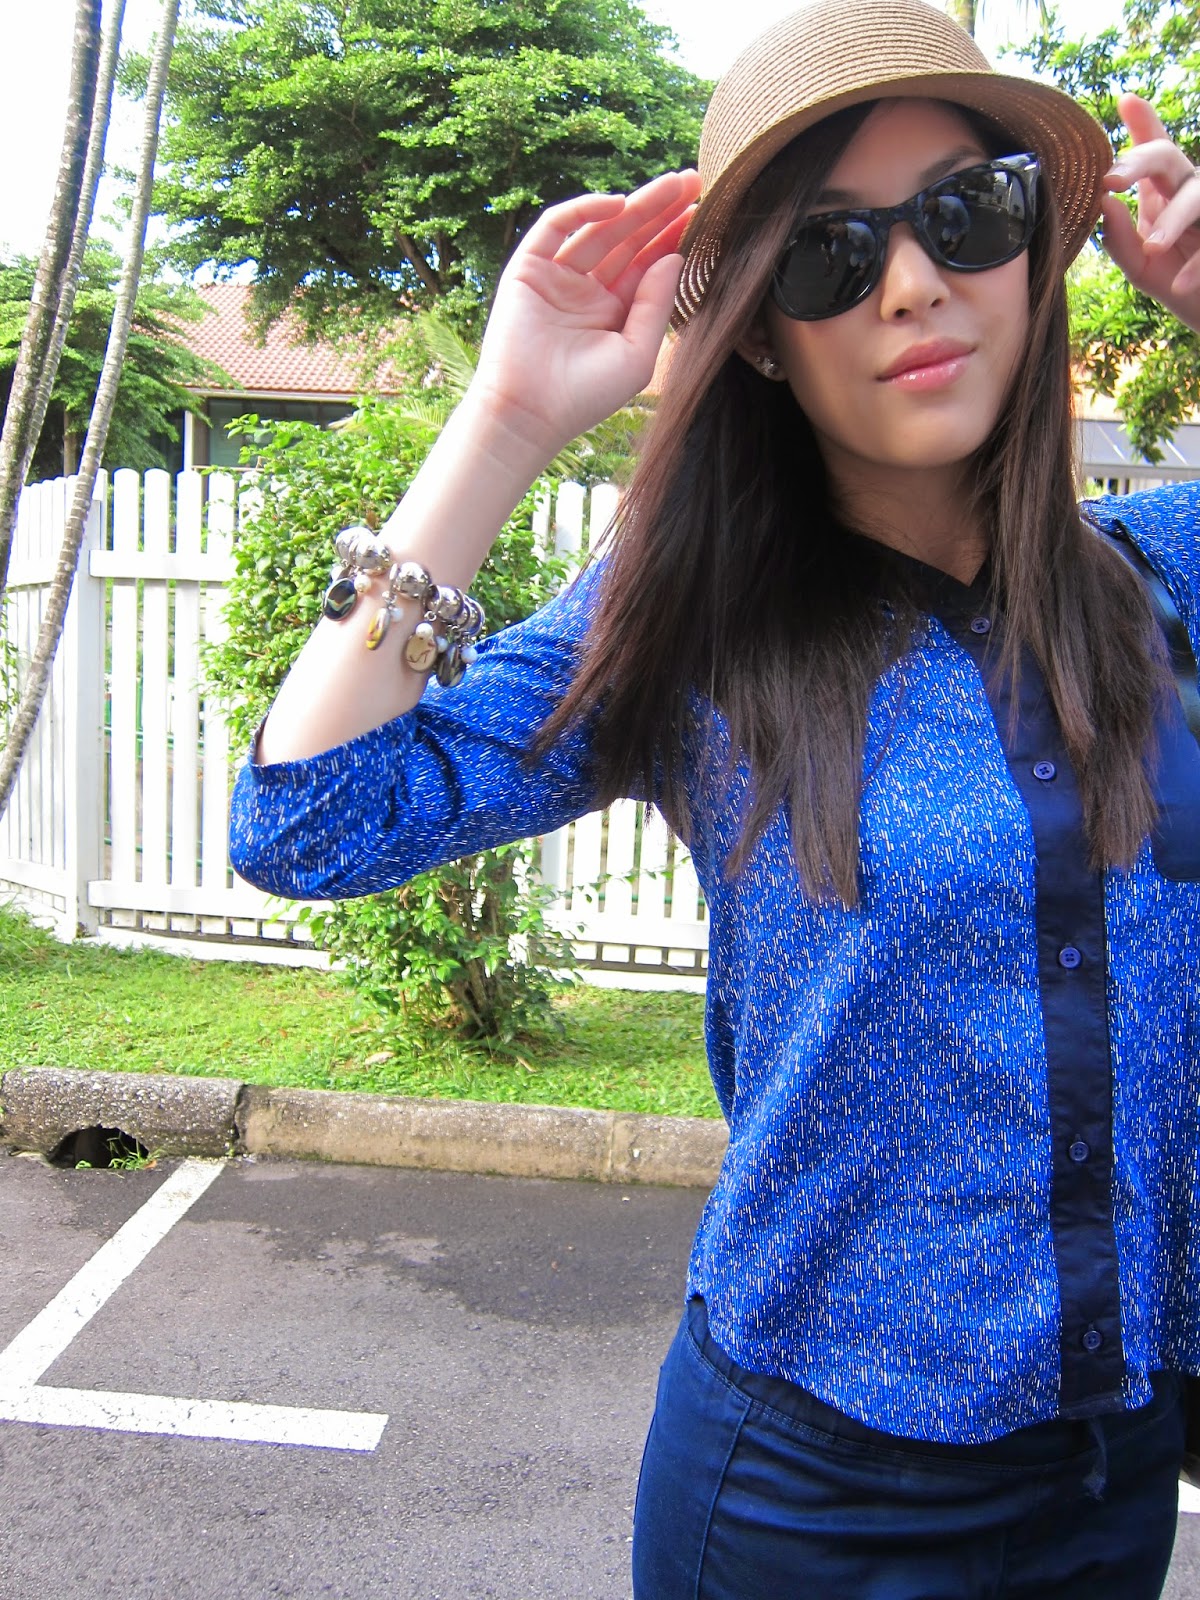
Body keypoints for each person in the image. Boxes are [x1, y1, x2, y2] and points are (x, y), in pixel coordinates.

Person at [229, 0, 1200, 1593]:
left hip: (1110, 1478)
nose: (912, 283)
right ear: (757, 331)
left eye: (967, 212)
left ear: (1037, 247)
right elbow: (307, 821)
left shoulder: (1168, 576)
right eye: (829, 255)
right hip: (810, 1503)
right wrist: (509, 419)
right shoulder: (701, 622)